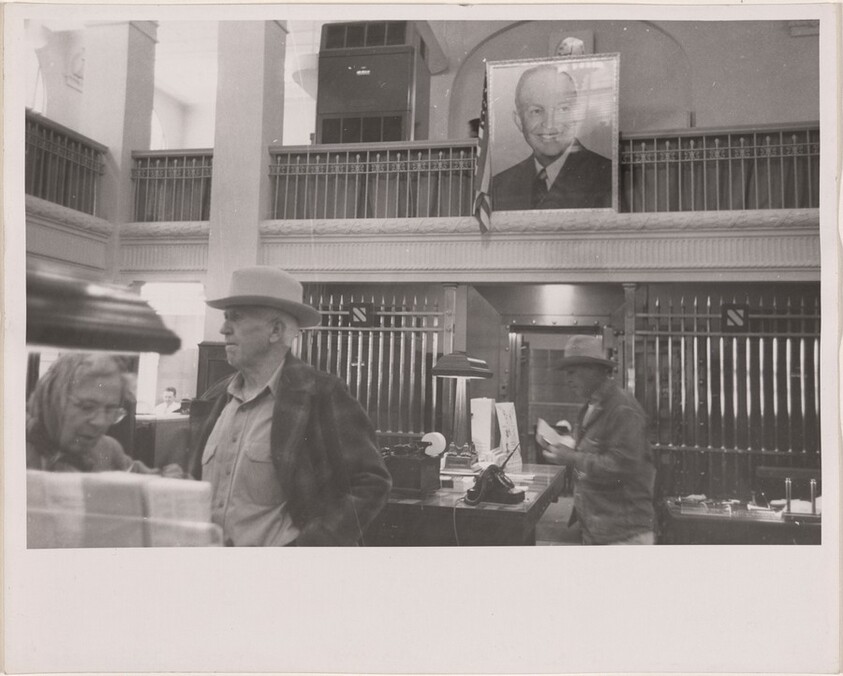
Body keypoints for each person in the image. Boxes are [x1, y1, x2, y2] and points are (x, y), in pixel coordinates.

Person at [189, 266, 391, 546]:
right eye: (225, 318)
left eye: (235, 317)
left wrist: (309, 550)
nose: (223, 329)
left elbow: (371, 483)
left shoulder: (320, 394)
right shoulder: (218, 398)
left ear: (275, 330)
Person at [537, 335, 656, 545]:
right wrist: (562, 446)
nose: (568, 380)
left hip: (624, 536)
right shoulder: (589, 407)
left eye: (572, 372)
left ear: (594, 370)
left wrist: (571, 457)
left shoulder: (622, 409)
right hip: (597, 529)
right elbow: (593, 454)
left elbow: (621, 467)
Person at [26, 353, 183, 476]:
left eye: (110, 410)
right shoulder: (14, 450)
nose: (101, 422)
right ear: (53, 401)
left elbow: (142, 478)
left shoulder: (108, 449)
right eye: (87, 407)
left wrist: (166, 477)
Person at [491, 64, 612, 211]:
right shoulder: (500, 185)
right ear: (518, 120)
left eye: (562, 109)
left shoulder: (608, 176)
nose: (549, 124)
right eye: (536, 111)